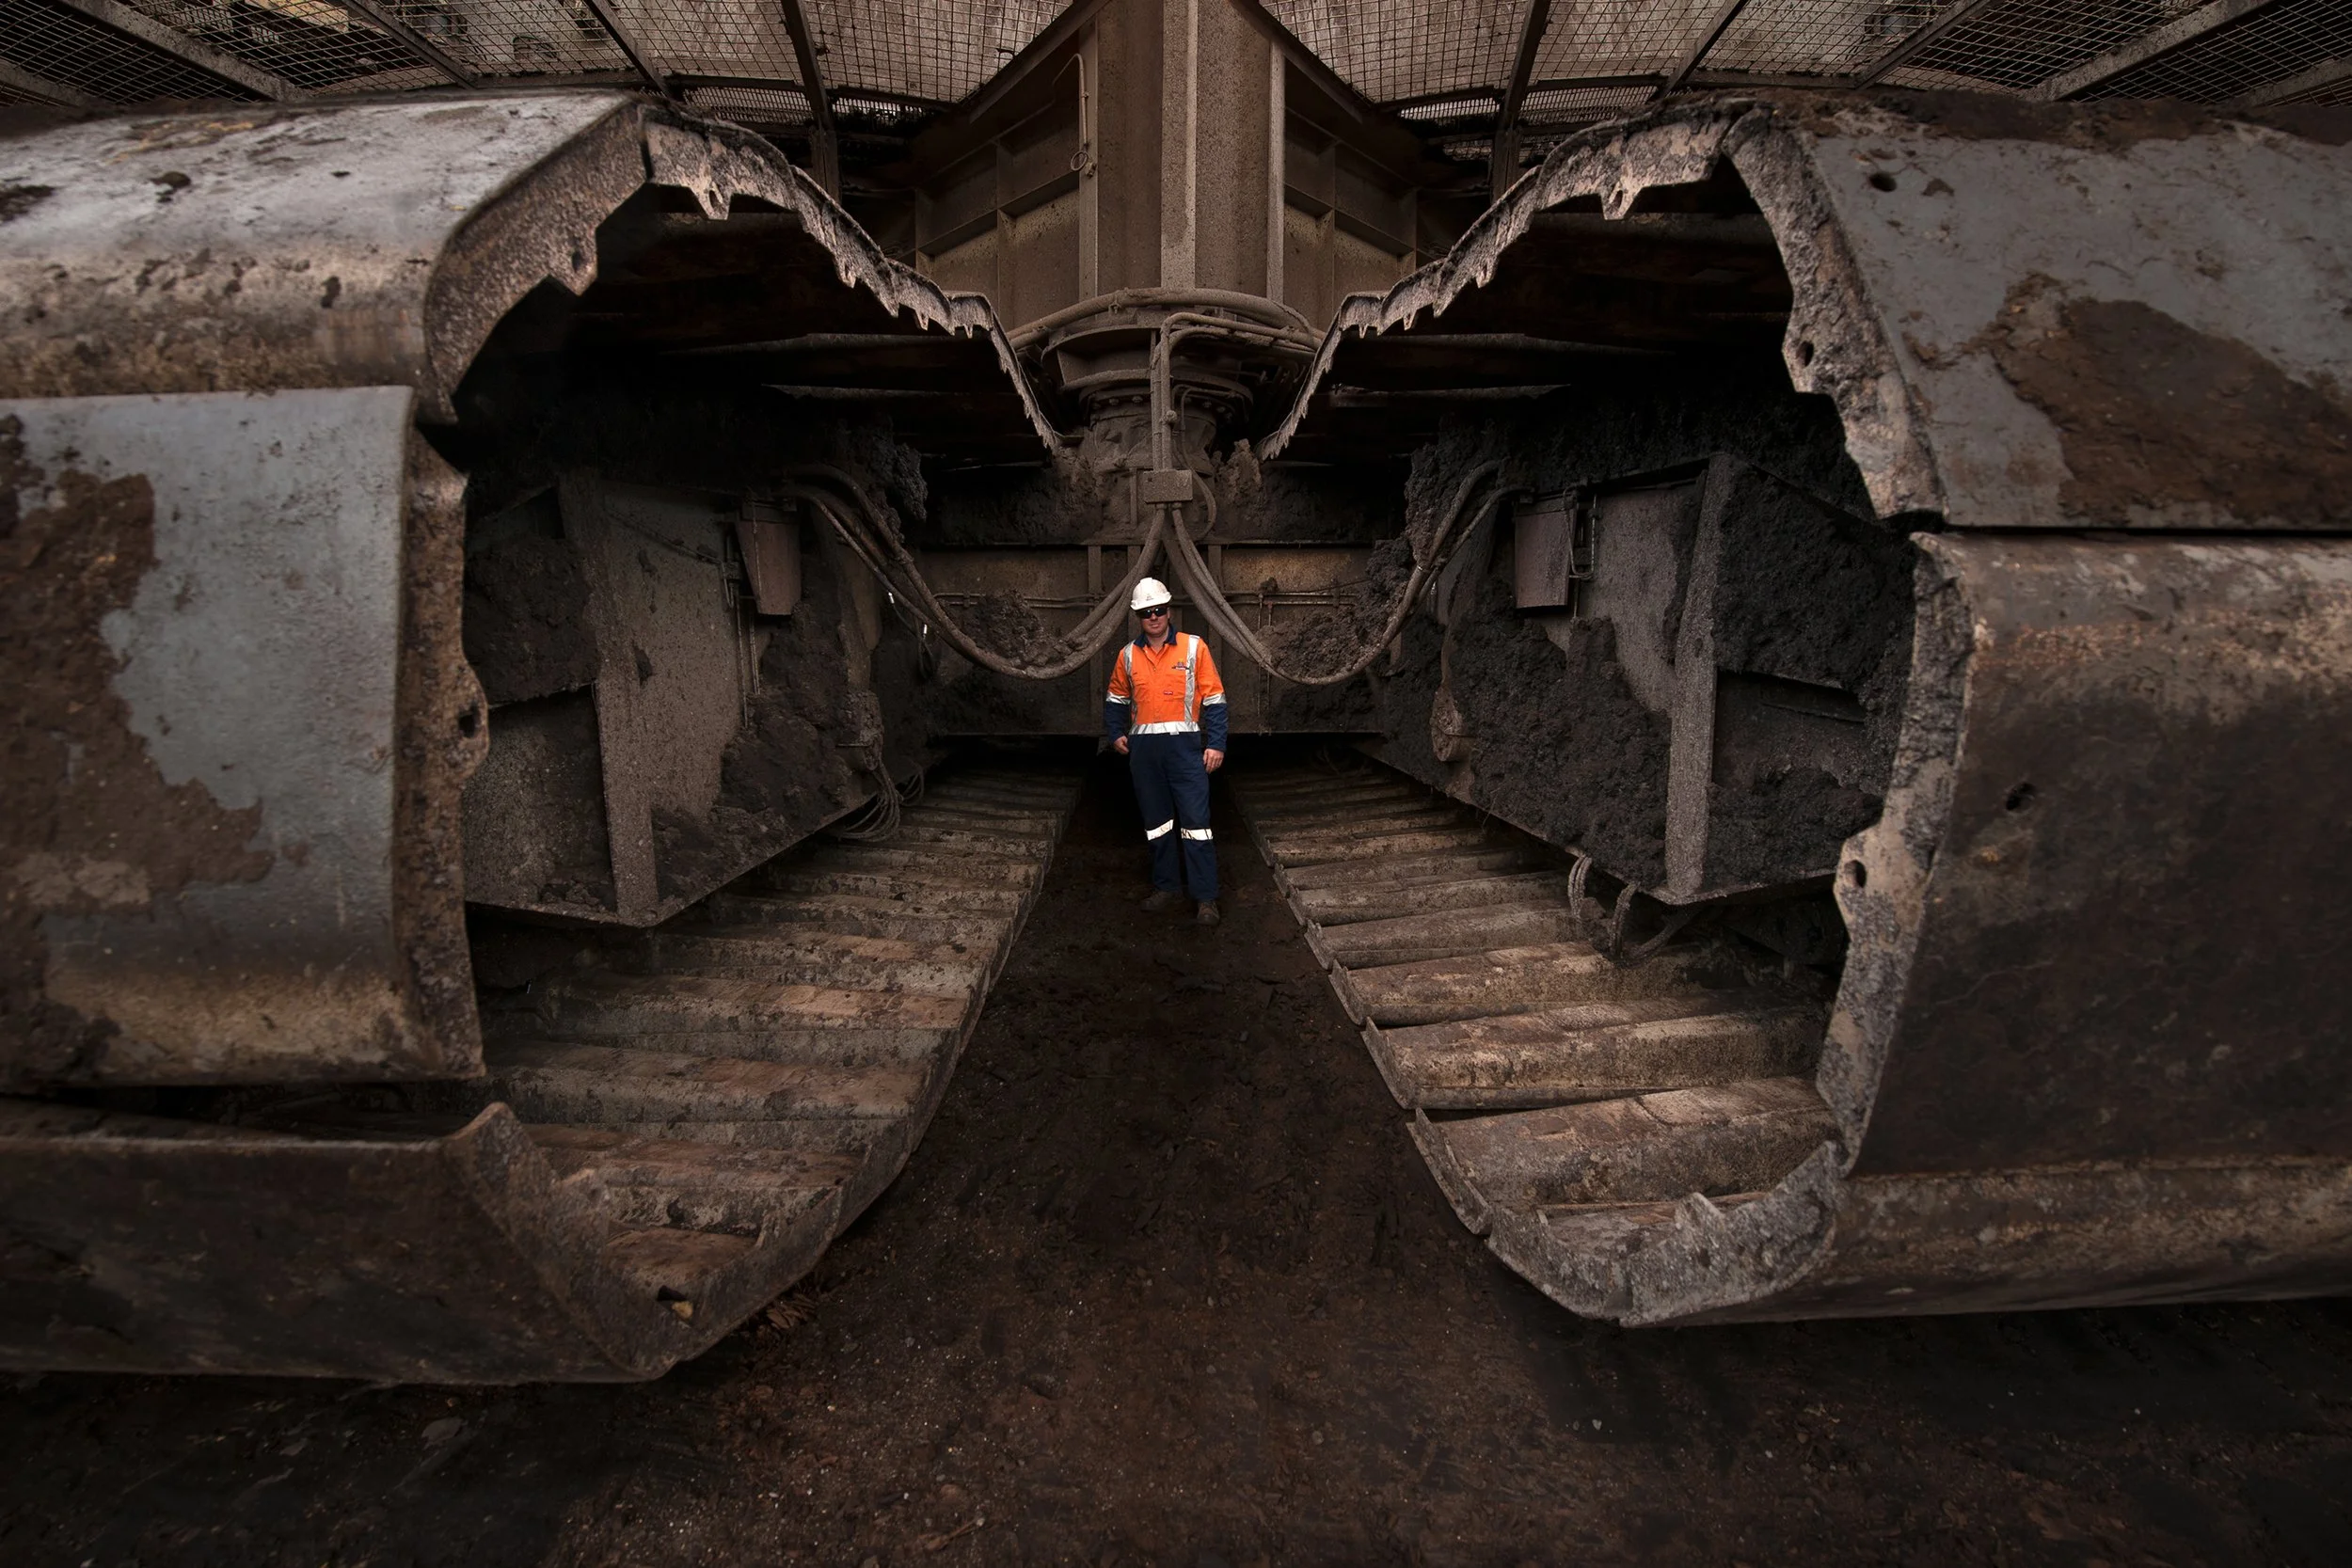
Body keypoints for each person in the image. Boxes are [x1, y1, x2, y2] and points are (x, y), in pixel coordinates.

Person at [1104, 577, 1226, 926]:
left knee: (1197, 825)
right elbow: (1115, 698)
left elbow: (1215, 699)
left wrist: (1216, 743)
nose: (1153, 617)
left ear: (1169, 611)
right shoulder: (1127, 655)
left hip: (1185, 752)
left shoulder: (1193, 648)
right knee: (1157, 825)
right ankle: (1167, 887)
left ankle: (1205, 899)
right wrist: (1115, 733)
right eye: (1146, 613)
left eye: (1158, 610)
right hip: (1145, 754)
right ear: (1139, 617)